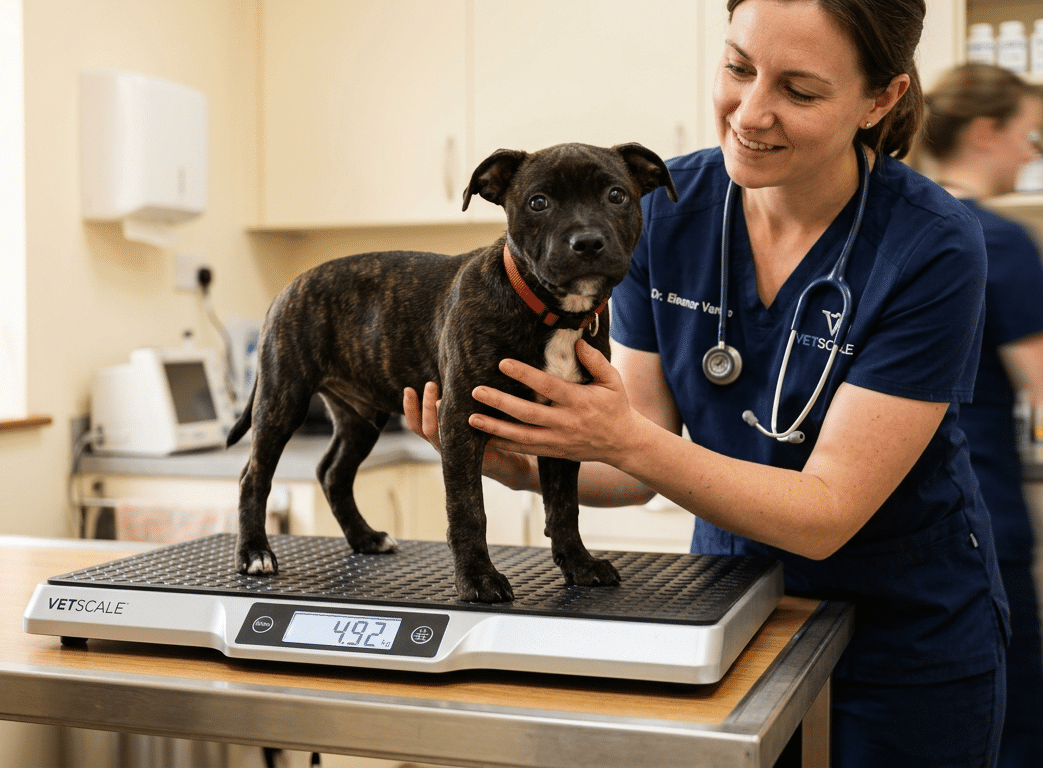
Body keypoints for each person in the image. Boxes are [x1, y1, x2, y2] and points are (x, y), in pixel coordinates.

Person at [405, 1, 1007, 765]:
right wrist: (528, 464)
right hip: (733, 607)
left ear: (880, 99)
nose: (751, 113)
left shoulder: (932, 245)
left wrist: (620, 439)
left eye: (801, 90)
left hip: (906, 638)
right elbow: (639, 458)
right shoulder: (661, 211)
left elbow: (826, 513)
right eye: (737, 67)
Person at [924, 63, 1043, 768]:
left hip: (894, 533)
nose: (1035, 153)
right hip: (985, 535)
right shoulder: (1000, 240)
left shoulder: (900, 227)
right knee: (1014, 740)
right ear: (985, 133)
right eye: (1027, 136)